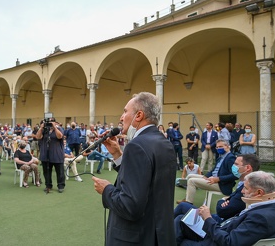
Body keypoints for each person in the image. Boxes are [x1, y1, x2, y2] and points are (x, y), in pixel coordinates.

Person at [92, 92, 177, 245]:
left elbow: (130, 206)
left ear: (138, 115)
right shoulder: (164, 143)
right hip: (158, 234)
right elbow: (147, 181)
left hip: (137, 237)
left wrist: (107, 190)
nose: (121, 117)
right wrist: (118, 155)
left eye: (125, 111)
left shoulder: (136, 145)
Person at [175, 171, 275, 246]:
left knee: (175, 231)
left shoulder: (260, 217)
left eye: (246, 188)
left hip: (216, 241)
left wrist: (208, 218)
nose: (242, 191)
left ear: (259, 192)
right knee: (180, 219)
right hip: (220, 232)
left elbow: (229, 243)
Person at [175, 154, 260, 223]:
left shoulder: (247, 190)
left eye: (236, 164)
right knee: (182, 212)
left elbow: (222, 211)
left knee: (181, 214)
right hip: (221, 220)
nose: (233, 167)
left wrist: (222, 200)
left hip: (218, 223)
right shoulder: (245, 185)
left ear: (248, 168)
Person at [177, 139, 237, 204]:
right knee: (189, 176)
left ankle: (188, 203)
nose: (218, 148)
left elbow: (234, 175)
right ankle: (187, 198)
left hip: (221, 185)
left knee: (191, 181)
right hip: (213, 178)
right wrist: (206, 176)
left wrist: (218, 179)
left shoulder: (230, 158)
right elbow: (213, 170)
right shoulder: (221, 157)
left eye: (221, 147)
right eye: (217, 147)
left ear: (227, 146)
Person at [35, 117, 65, 193]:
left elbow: (60, 136)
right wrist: (41, 128)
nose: (49, 124)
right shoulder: (44, 130)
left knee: (60, 171)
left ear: (55, 122)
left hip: (57, 154)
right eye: (48, 122)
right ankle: (48, 185)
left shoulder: (59, 129)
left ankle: (60, 186)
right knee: (46, 171)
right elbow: (37, 137)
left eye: (51, 122)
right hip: (45, 154)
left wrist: (54, 127)